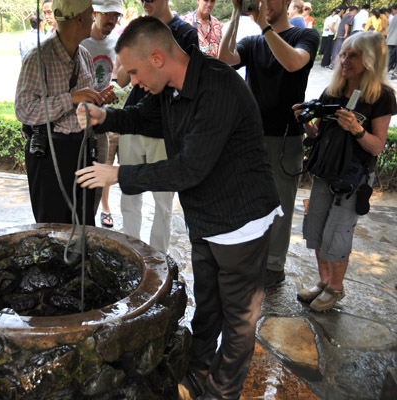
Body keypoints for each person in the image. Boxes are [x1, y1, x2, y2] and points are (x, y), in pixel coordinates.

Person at [75, 16, 280, 399]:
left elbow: (190, 168)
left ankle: (221, 392)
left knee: (238, 321)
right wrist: (106, 118)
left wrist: (118, 175)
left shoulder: (217, 87)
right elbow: (146, 117)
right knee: (208, 304)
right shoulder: (170, 87)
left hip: (240, 221)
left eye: (133, 71)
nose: (131, 81)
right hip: (205, 218)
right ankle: (197, 369)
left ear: (156, 57)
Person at [219, 0, 319, 288]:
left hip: (285, 137)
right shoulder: (253, 41)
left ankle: (274, 265)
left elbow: (293, 63)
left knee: (281, 203)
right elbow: (225, 58)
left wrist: (263, 25)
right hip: (250, 136)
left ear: (287, 2)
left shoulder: (305, 36)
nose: (263, 4)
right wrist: (238, 13)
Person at [295, 32, 397, 312]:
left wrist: (356, 129)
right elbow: (318, 135)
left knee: (337, 232)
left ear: (370, 60)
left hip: (352, 177)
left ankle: (336, 288)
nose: (344, 59)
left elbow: (376, 146)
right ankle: (324, 282)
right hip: (325, 169)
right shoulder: (334, 91)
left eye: (353, 55)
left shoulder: (382, 96)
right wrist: (305, 122)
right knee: (315, 229)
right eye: (343, 53)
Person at [15, 0, 115, 226]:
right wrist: (70, 98)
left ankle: (80, 262)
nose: (93, 19)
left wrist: (98, 97)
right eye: (91, 14)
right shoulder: (38, 58)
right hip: (49, 154)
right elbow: (23, 110)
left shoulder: (84, 56)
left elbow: (86, 100)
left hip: (81, 150)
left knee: (83, 223)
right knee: (52, 229)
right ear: (79, 18)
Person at [115, 0, 199, 254]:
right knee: (129, 194)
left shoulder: (185, 33)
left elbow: (187, 83)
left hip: (164, 130)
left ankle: (158, 259)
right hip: (133, 122)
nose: (146, 2)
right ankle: (131, 254)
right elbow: (121, 79)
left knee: (163, 202)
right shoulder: (139, 30)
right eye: (142, 0)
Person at [80, 0, 123, 228]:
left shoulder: (116, 43)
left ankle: (92, 223)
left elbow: (115, 80)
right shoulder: (80, 41)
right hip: (77, 123)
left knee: (99, 176)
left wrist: (110, 94)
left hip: (102, 121)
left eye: (116, 15)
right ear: (94, 13)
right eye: (108, 14)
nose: (112, 20)